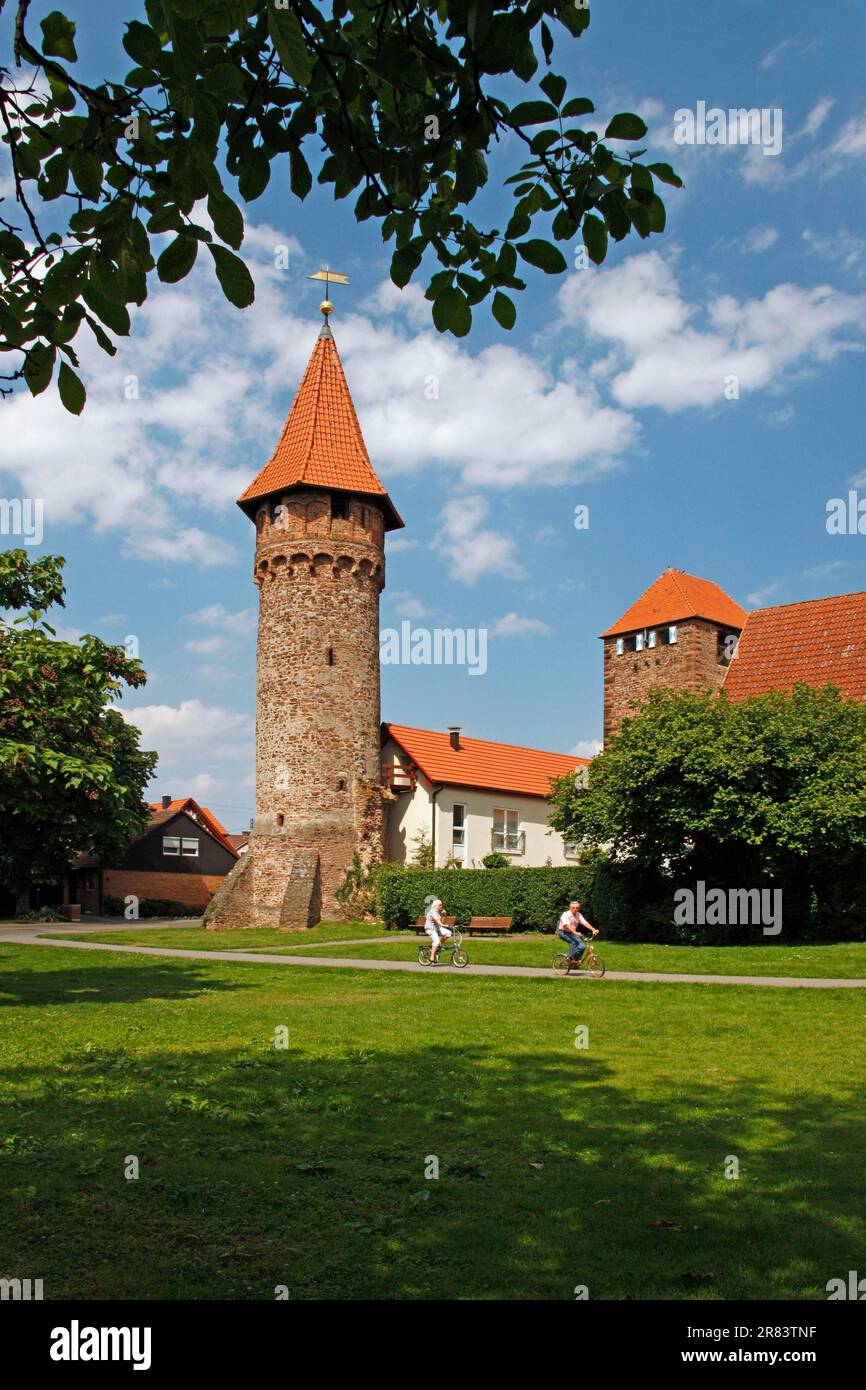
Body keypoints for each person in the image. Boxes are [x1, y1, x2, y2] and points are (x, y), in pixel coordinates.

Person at [556, 900, 598, 964]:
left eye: (577, 908)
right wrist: (575, 932)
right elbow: (566, 925)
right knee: (573, 942)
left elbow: (585, 923)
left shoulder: (578, 914)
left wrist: (593, 929)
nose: (575, 909)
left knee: (582, 946)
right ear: (570, 908)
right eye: (573, 908)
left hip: (572, 933)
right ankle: (569, 959)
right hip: (563, 932)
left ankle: (576, 961)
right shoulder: (566, 914)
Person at [423, 898, 452, 964]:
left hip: (437, 927)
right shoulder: (433, 911)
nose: (441, 906)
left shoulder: (439, 912)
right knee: (436, 940)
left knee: (448, 933)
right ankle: (432, 956)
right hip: (430, 928)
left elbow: (442, 920)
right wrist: (442, 925)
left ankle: (439, 946)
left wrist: (444, 915)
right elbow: (436, 920)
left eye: (441, 905)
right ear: (435, 905)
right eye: (440, 905)